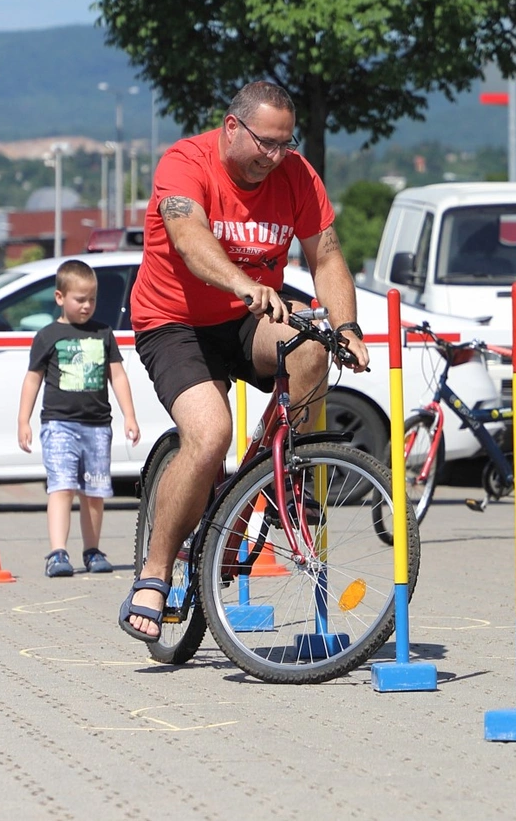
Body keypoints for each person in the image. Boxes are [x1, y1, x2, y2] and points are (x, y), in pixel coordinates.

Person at [120, 81, 370, 641]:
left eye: (286, 143)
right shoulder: (186, 163)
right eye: (266, 143)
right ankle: (155, 572)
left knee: (312, 343)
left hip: (246, 318)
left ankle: (277, 481)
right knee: (210, 435)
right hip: (175, 322)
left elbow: (327, 255)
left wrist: (348, 327)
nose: (275, 157)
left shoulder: (297, 175)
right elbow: (189, 237)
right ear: (232, 127)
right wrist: (242, 282)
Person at [18, 259, 140, 577]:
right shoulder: (48, 335)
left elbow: (118, 376)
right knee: (61, 487)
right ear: (60, 297)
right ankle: (58, 553)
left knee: (94, 492)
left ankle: (92, 550)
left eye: (92, 299)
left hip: (97, 427)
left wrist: (129, 416)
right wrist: (23, 420)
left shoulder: (103, 333)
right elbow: (32, 379)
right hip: (59, 425)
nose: (87, 306)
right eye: (80, 299)